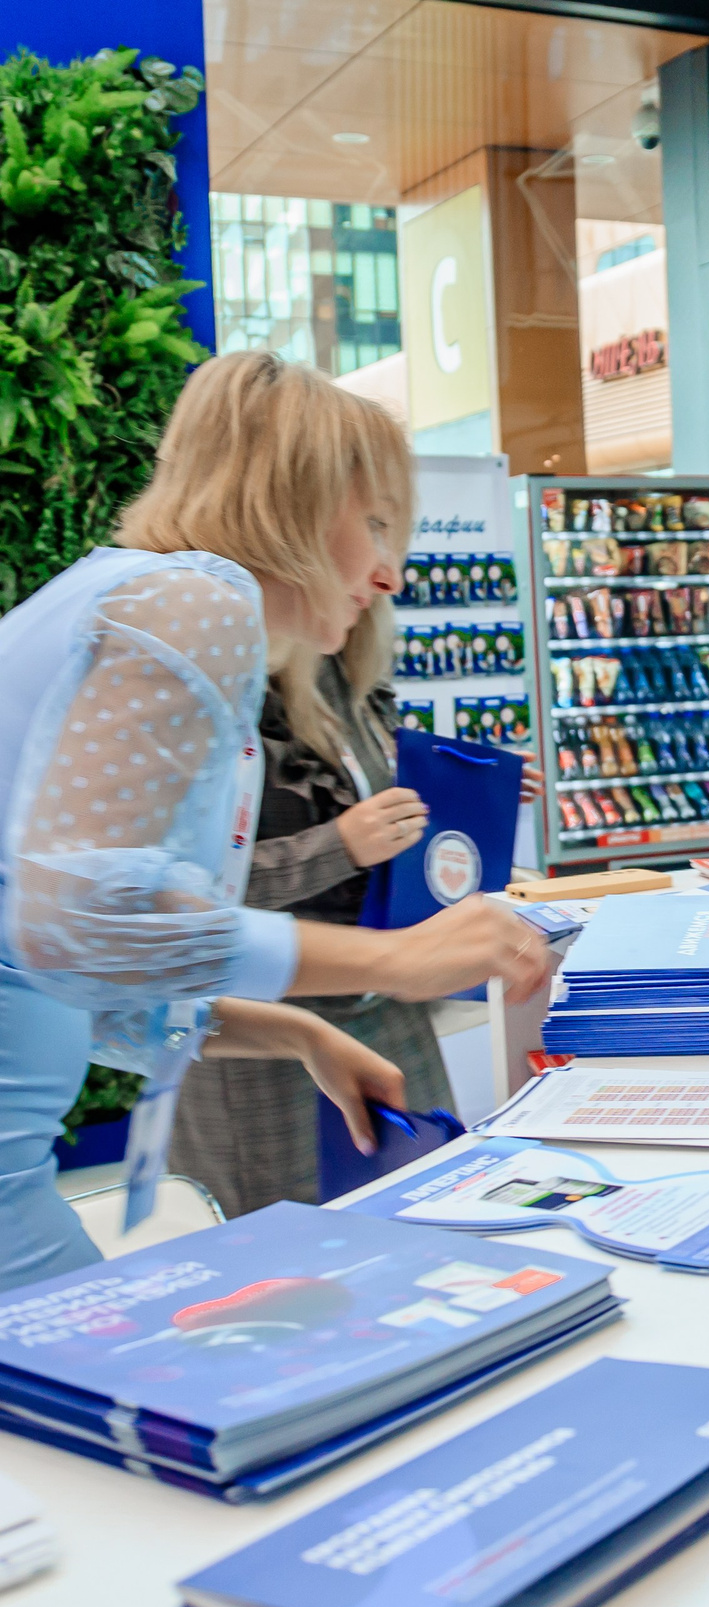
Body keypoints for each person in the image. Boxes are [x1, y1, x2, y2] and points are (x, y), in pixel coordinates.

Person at [0, 352, 549, 1287]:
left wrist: (295, 1031)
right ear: (288, 498)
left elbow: (72, 971)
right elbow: (76, 923)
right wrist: (393, 958)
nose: (389, 573)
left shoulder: (113, 596)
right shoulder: (195, 602)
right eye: (375, 523)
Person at [166, 600, 474, 1215]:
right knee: (281, 1269)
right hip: (260, 1047)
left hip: (387, 1018)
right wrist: (336, 847)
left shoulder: (346, 667)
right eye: (373, 526)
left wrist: (462, 788)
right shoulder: (208, 684)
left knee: (425, 1222)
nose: (388, 573)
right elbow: (175, 900)